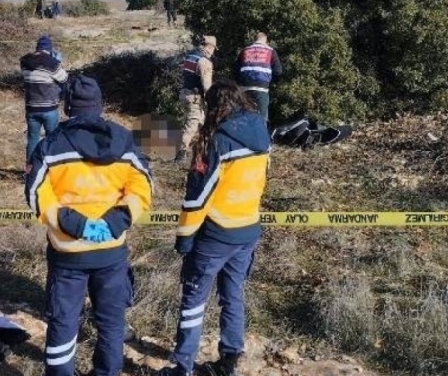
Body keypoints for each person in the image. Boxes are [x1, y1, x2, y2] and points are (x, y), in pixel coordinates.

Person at [25, 75, 153, 376]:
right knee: (111, 323)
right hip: (111, 252)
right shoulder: (124, 141)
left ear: (67, 107)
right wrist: (115, 221)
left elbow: (35, 195)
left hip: (67, 254)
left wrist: (75, 224)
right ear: (100, 105)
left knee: (62, 323)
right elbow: (143, 188)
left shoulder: (50, 146)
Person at [159, 79, 271, 376]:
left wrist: (184, 239)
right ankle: (229, 361)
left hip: (216, 234)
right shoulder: (261, 133)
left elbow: (197, 198)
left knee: (193, 300)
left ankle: (182, 366)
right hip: (248, 229)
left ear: (213, 107)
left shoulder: (216, 141)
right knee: (233, 296)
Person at [20, 36, 68, 164]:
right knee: (52, 139)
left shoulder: (25, 63)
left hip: (31, 107)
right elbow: (64, 79)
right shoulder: (52, 63)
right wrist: (58, 62)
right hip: (49, 108)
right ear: (49, 49)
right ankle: (51, 167)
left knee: (32, 139)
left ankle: (30, 171)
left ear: (37, 48)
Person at [175, 35, 216, 166]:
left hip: (185, 94)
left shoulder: (190, 56)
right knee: (193, 123)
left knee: (200, 122)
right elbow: (207, 86)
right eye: (213, 48)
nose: (213, 51)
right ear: (209, 47)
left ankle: (200, 149)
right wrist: (212, 101)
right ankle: (181, 152)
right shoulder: (204, 62)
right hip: (194, 97)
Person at [235, 32, 282, 121]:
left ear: (255, 39)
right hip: (262, 88)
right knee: (261, 119)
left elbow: (236, 70)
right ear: (266, 41)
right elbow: (278, 71)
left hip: (244, 89)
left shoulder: (245, 50)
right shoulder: (270, 51)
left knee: (243, 118)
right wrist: (270, 82)